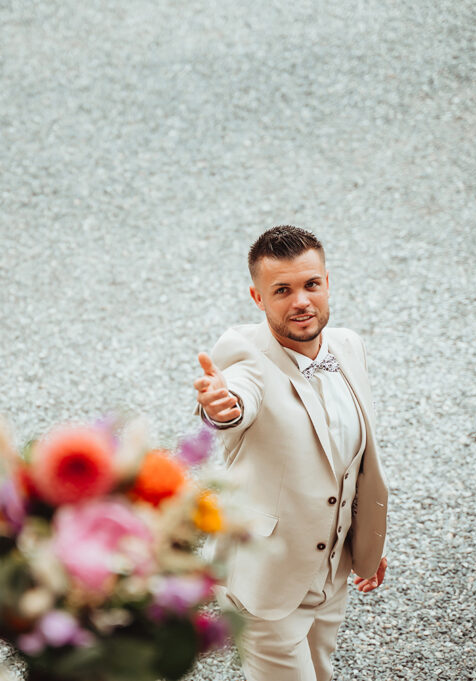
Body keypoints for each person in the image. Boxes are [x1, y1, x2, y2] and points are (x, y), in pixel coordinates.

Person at [194, 225, 388, 681]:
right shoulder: (243, 354)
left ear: (326, 282)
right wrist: (223, 406)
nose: (300, 301)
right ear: (257, 298)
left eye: (310, 285)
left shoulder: (349, 346)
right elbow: (236, 399)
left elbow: (352, 463)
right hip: (265, 586)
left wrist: (365, 538)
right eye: (282, 290)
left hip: (330, 574)